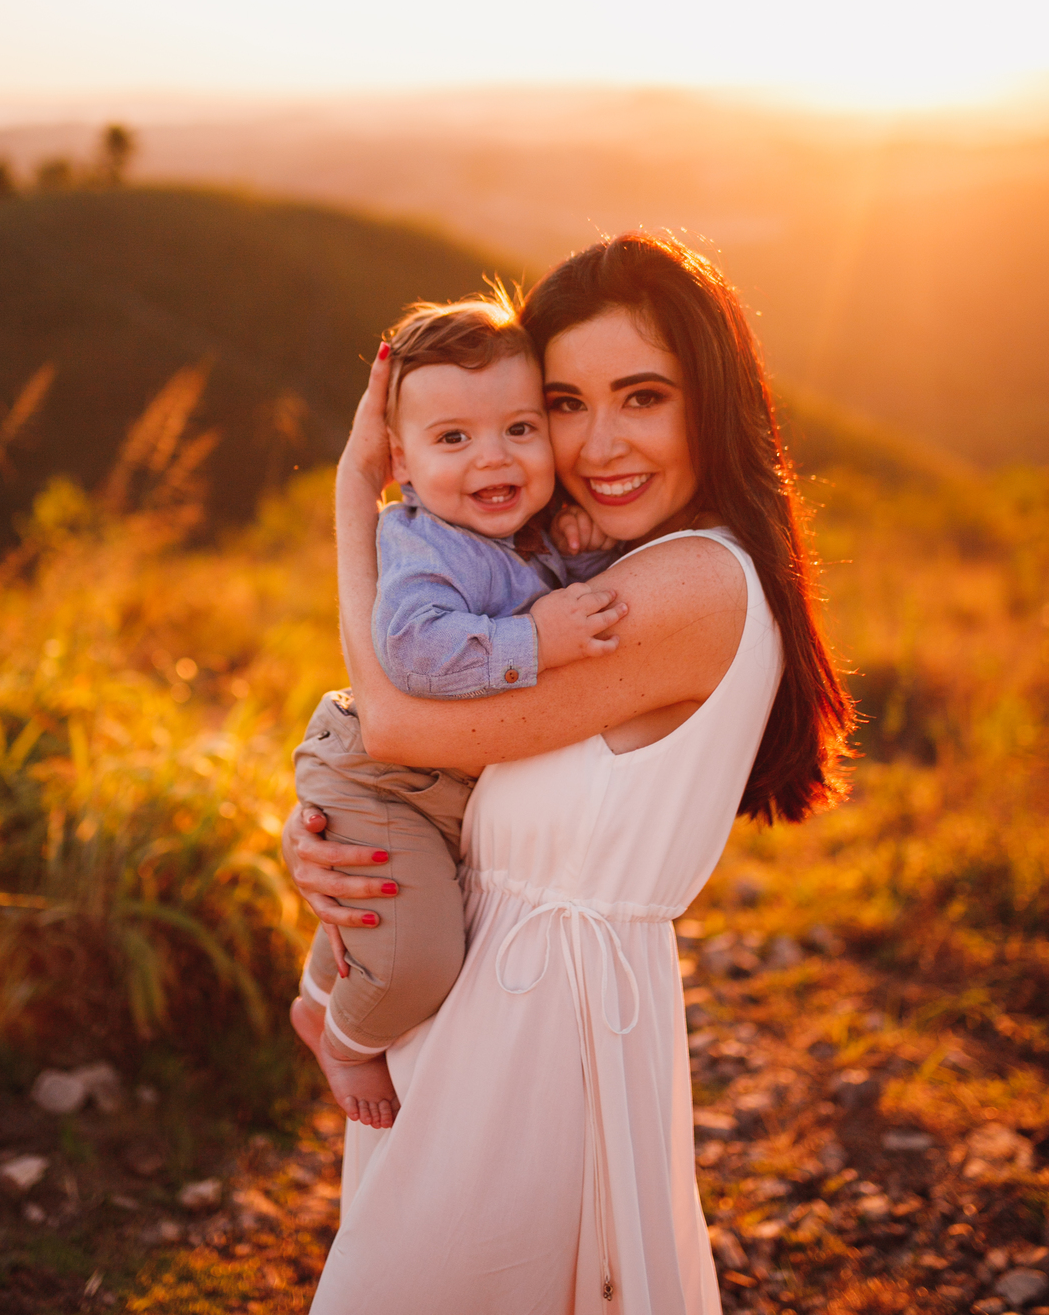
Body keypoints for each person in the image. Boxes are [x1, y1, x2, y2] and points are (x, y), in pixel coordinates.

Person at [285, 232, 856, 1315]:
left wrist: (359, 495)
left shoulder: (690, 587)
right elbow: (439, 767)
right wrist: (331, 837)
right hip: (487, 1009)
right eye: (562, 404)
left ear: (713, 401)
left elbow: (396, 725)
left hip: (535, 1041)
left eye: (643, 398)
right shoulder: (599, 564)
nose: (598, 445)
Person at [291, 293, 624, 1129]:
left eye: (519, 428)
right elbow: (414, 652)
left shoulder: (532, 532)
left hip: (431, 784)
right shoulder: (422, 543)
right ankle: (342, 1039)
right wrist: (537, 638)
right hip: (380, 776)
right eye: (453, 439)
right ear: (399, 461)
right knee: (421, 960)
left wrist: (588, 554)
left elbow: (567, 597)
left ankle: (318, 992)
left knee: (391, 908)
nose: (493, 458)